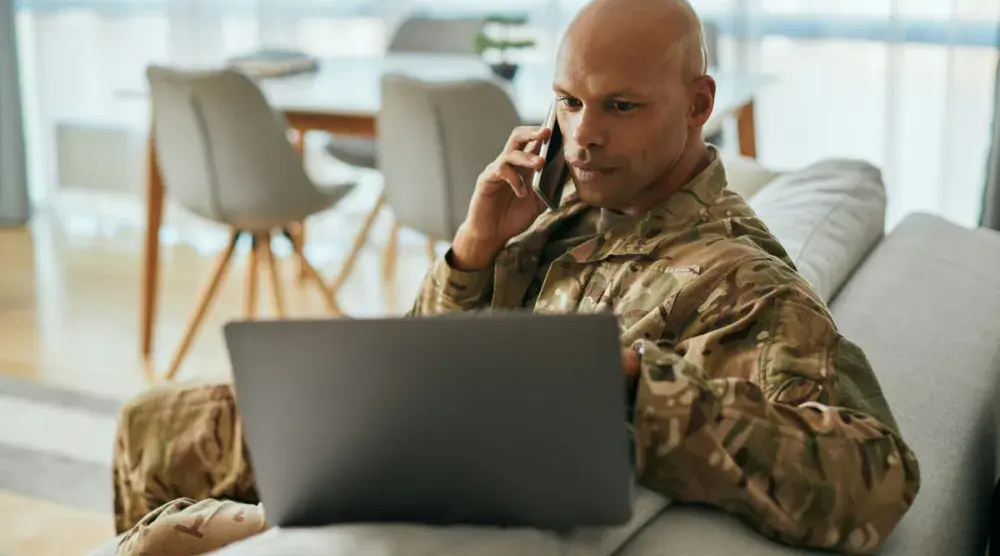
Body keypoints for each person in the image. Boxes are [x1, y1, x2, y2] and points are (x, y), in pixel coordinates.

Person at [111, 0, 920, 553]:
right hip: (413, 428)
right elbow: (424, 355)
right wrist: (473, 253)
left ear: (697, 101)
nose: (584, 136)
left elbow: (873, 481)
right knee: (150, 423)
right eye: (568, 102)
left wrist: (635, 385)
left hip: (435, 483)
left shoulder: (743, 283)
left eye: (620, 106)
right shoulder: (564, 212)